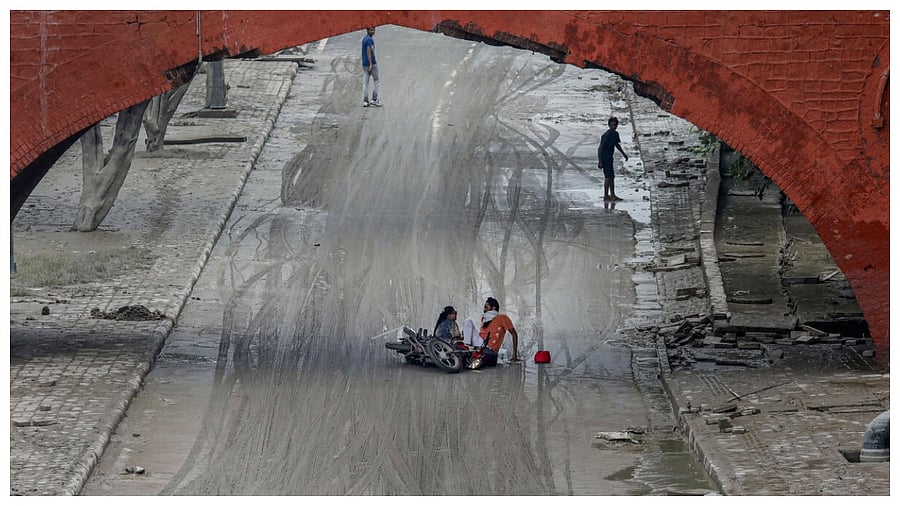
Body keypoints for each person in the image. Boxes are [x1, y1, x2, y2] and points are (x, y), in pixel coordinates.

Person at [478, 297, 520, 365]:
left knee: (468, 322)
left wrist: (514, 354)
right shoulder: (484, 318)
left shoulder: (503, 318)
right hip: (478, 346)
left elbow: (514, 334)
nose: (484, 310)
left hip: (489, 349)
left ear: (493, 308)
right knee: (468, 322)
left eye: (486, 307)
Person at [597, 116, 628, 201]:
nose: (613, 127)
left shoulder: (615, 134)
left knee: (612, 177)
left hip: (610, 158)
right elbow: (600, 148)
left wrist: (624, 154)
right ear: (609, 125)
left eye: (615, 125)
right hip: (605, 158)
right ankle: (606, 195)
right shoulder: (606, 135)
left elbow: (617, 145)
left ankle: (613, 194)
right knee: (608, 177)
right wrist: (600, 161)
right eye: (612, 125)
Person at [361, 27, 382, 107]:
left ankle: (365, 101)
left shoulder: (364, 39)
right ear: (367, 30)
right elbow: (368, 51)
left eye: (374, 30)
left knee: (365, 83)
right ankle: (374, 99)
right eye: (371, 30)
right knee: (376, 81)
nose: (373, 31)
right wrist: (370, 64)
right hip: (372, 64)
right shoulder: (369, 40)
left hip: (364, 64)